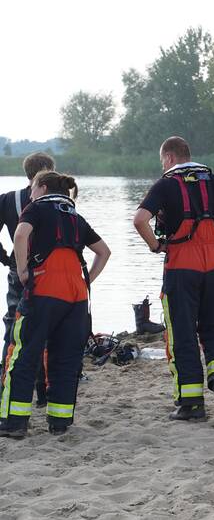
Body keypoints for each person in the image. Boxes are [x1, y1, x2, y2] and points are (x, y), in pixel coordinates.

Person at [133, 136, 214, 421]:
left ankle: (191, 404)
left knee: (183, 334)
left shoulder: (165, 184)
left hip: (182, 267)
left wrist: (156, 246)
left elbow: (139, 220)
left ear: (168, 158)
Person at [0, 172, 110, 438]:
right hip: (76, 297)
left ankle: (14, 423)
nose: (30, 191)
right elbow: (104, 252)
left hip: (44, 290)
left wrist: (24, 271)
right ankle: (59, 423)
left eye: (33, 187)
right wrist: (86, 281)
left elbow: (20, 234)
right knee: (66, 360)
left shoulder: (36, 208)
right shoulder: (75, 217)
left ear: (43, 187)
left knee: (23, 355)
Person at [0, 152, 55, 405]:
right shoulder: (56, 201)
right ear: (45, 171)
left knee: (13, 328)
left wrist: (5, 258)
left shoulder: (7, 200)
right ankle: (44, 393)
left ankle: (5, 384)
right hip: (48, 270)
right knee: (46, 329)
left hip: (16, 270)